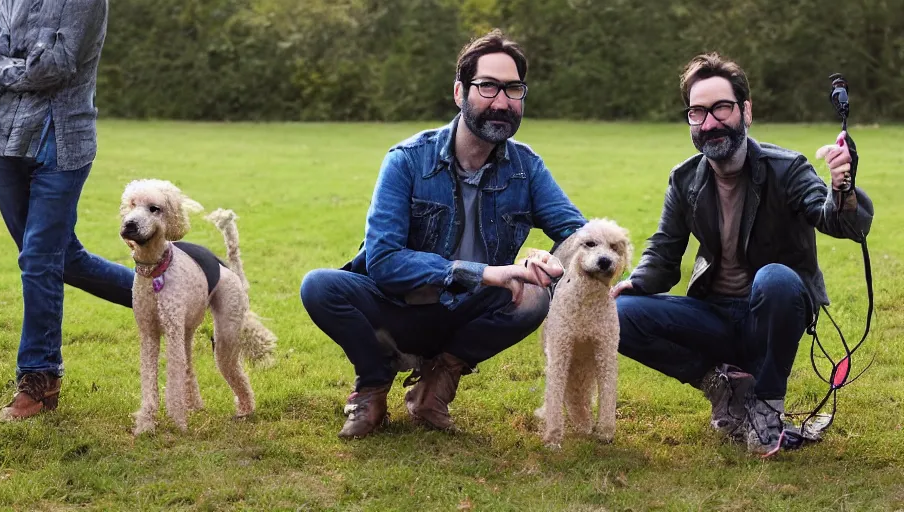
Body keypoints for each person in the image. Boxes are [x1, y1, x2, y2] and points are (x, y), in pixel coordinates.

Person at [299, 29, 587, 439]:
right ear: (459, 92)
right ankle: (373, 386)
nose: (502, 102)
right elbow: (383, 262)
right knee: (319, 286)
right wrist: (484, 273)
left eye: (513, 89)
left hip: (463, 317)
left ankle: (437, 382)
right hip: (396, 307)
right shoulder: (407, 160)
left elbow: (578, 234)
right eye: (487, 87)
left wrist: (549, 259)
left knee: (534, 296)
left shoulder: (527, 168)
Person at [609, 53, 874, 455]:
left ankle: (766, 411)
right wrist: (635, 283)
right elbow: (664, 251)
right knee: (617, 313)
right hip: (712, 315)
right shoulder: (684, 179)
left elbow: (842, 224)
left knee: (776, 277)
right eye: (698, 112)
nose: (710, 122)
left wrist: (843, 187)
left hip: (770, 316)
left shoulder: (787, 168)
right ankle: (723, 384)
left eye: (721, 108)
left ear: (745, 110)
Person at [0, 0, 135, 421]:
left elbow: (56, 66)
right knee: (63, 260)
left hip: (63, 143)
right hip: (3, 139)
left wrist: (8, 69)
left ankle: (39, 379)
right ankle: (172, 292)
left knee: (39, 260)